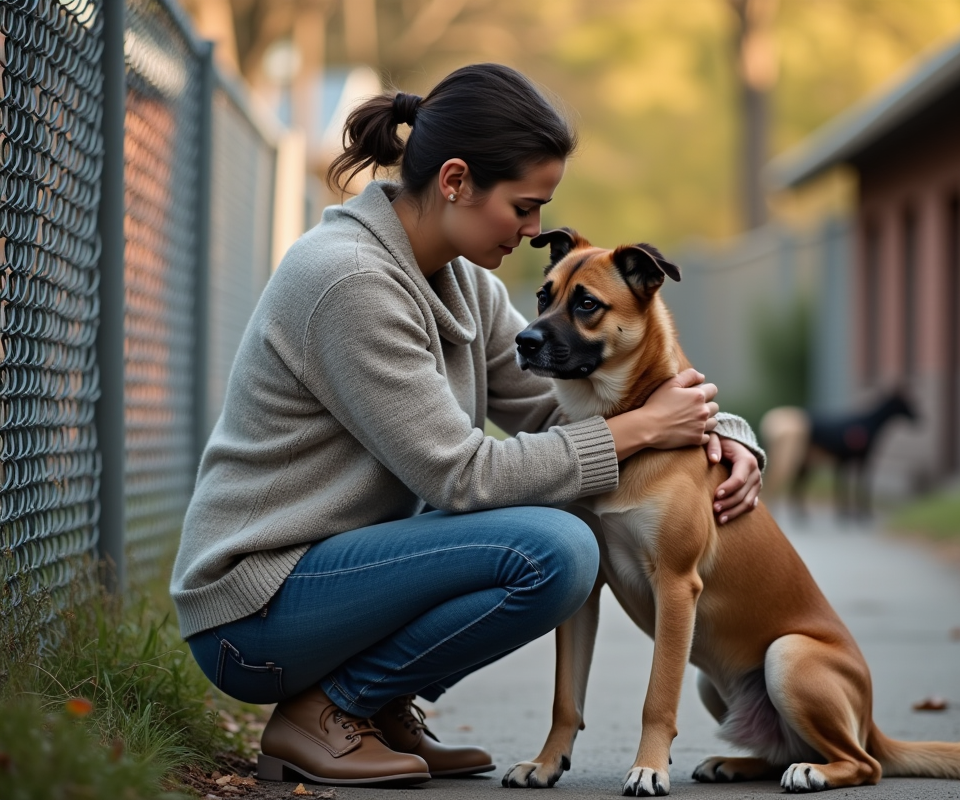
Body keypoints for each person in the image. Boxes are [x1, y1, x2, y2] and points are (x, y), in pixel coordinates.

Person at [171, 63, 765, 788]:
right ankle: (328, 711)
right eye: (524, 206)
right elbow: (462, 476)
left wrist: (722, 432)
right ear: (455, 181)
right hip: (256, 606)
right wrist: (641, 433)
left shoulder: (463, 283)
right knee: (557, 551)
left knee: (560, 529)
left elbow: (564, 409)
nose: (534, 229)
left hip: (341, 572)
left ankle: (377, 708)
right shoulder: (349, 281)